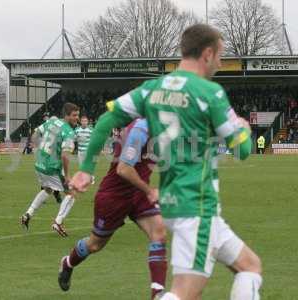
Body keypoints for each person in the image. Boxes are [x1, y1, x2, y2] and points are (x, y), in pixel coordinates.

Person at [70, 24, 262, 300]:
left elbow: (106, 121)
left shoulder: (151, 89)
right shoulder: (210, 93)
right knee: (184, 294)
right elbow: (242, 150)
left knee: (250, 266)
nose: (221, 63)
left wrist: (86, 170)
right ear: (207, 54)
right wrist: (243, 127)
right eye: (220, 55)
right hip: (196, 205)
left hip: (176, 203)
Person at [58, 119, 167, 299]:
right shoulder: (140, 128)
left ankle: (158, 294)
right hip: (114, 196)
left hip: (138, 193)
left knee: (159, 233)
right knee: (94, 245)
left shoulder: (159, 124)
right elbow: (123, 170)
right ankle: (68, 263)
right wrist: (150, 191)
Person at [21, 103, 80, 237]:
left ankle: (28, 214)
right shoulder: (69, 132)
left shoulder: (51, 122)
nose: (77, 118)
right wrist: (67, 175)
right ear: (66, 115)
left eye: (77, 115)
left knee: (48, 189)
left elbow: (35, 135)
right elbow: (65, 156)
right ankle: (58, 222)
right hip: (52, 169)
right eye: (74, 115)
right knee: (71, 193)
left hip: (39, 164)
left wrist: (40, 150)